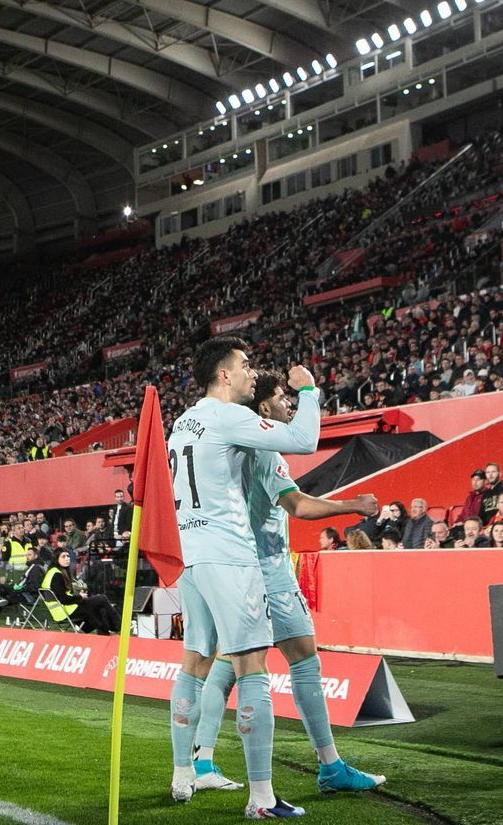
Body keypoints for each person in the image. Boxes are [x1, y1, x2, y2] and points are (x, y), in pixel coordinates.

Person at [190, 371, 385, 795]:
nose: (287, 406)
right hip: (267, 573)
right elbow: (297, 505)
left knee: (227, 664)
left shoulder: (228, 446)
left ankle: (201, 759)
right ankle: (326, 767)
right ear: (263, 408)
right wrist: (352, 505)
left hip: (230, 567)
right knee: (302, 659)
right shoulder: (265, 452)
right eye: (282, 399)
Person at [166, 336, 320, 817]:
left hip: (189, 557)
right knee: (251, 667)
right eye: (246, 365)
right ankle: (261, 797)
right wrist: (309, 391)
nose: (253, 373)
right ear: (224, 374)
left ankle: (182, 773)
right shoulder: (227, 415)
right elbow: (304, 440)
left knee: (194, 661)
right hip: (229, 555)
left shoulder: (182, 422)